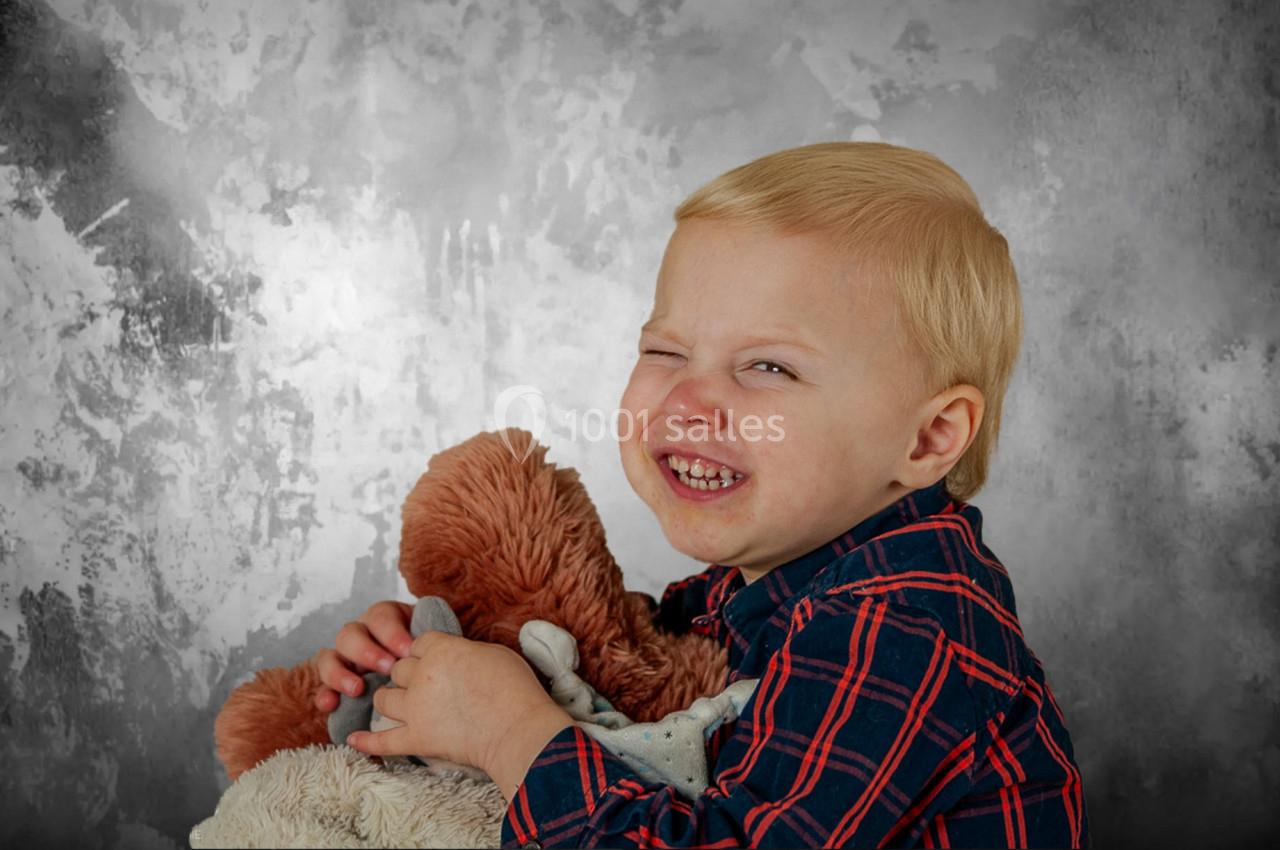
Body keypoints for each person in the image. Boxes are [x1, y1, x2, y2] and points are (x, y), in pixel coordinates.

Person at [309, 141, 1088, 848]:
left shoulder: (906, 626)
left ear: (928, 439)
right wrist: (440, 658)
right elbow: (623, 673)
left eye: (769, 367)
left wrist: (511, 732)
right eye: (666, 350)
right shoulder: (745, 590)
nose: (686, 402)